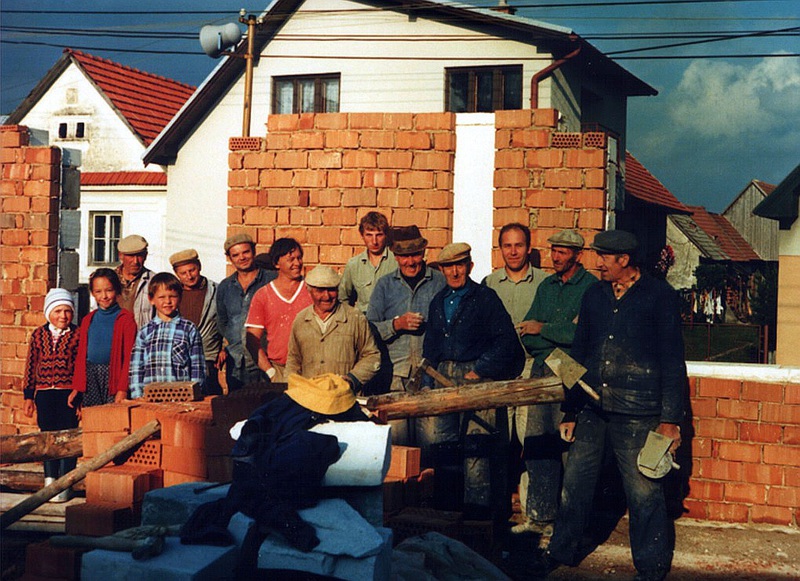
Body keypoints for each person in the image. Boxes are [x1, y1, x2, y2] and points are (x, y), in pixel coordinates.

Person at [537, 230, 686, 581]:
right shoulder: (594, 295)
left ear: (625, 261)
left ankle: (650, 568)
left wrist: (669, 420)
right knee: (574, 485)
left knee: (644, 493)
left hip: (639, 414)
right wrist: (571, 410)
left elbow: (672, 361)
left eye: (604, 257)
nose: (597, 263)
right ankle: (560, 552)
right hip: (592, 410)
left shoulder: (659, 297)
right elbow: (579, 354)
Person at [423, 242, 525, 520]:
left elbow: (506, 342)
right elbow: (430, 347)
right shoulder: (438, 302)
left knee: (476, 452)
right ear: (442, 270)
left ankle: (476, 523)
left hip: (475, 380)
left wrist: (480, 369)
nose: (455, 272)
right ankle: (447, 519)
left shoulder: (485, 298)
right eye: (448, 266)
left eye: (460, 265)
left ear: (469, 266)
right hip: (443, 377)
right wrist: (426, 382)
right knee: (444, 449)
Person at [510, 229, 597, 540]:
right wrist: (554, 335)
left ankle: (568, 523)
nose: (556, 257)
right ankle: (538, 518)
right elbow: (526, 333)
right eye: (554, 251)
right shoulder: (546, 286)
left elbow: (583, 335)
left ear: (577, 255)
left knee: (569, 448)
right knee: (537, 442)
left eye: (562, 252)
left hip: (572, 372)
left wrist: (543, 328)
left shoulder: (591, 288)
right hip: (543, 367)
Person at [482, 222, 547, 532]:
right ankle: (495, 511)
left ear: (528, 248)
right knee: (499, 443)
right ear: (500, 249)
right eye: (507, 245)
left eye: (518, 245)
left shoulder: (544, 284)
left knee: (530, 442)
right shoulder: (489, 283)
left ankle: (532, 515)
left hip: (531, 371)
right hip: (499, 373)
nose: (513, 251)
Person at [366, 225, 446, 453]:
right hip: (395, 380)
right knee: (397, 449)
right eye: (404, 256)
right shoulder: (384, 285)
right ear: (395, 256)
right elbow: (368, 330)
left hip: (431, 378)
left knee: (431, 447)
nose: (410, 261)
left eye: (415, 255)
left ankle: (429, 489)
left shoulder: (439, 282)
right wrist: (395, 324)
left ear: (423, 253)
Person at [22, 289, 81, 502]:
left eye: (67, 311)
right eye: (58, 311)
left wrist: (79, 395)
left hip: (68, 395)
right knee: (48, 435)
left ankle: (66, 482)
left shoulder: (77, 334)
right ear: (49, 313)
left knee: (68, 436)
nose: (63, 316)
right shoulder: (38, 335)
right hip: (45, 394)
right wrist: (29, 396)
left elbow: (80, 367)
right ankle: (50, 479)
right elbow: (31, 365)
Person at [286, 265, 381, 393]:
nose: (326, 296)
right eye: (320, 290)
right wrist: (292, 387)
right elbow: (293, 360)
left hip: (344, 397)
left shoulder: (355, 318)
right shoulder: (301, 320)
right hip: (310, 396)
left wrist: (351, 379)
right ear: (309, 290)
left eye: (331, 290)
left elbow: (372, 356)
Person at [245, 238, 312, 384]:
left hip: (311, 370)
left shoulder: (312, 290)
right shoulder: (263, 295)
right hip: (280, 369)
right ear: (276, 263)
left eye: (299, 258)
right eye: (291, 259)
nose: (297, 263)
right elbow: (252, 339)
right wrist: (271, 372)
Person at [128, 272, 206, 399]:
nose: (167, 301)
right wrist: (138, 396)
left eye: (172, 296)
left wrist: (195, 394)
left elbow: (198, 367)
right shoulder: (144, 332)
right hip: (151, 399)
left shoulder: (189, 329)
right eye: (161, 297)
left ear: (180, 298)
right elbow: (136, 367)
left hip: (182, 397)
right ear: (151, 299)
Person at [69, 269, 137, 411]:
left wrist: (123, 389)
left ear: (117, 290)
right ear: (92, 293)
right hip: (91, 378)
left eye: (109, 290)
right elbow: (82, 356)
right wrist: (77, 387)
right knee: (93, 421)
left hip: (113, 377)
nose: (104, 296)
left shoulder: (126, 319)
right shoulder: (88, 319)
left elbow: (130, 358)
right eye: (98, 291)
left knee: (113, 421)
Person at [216, 233, 277, 391]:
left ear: (254, 252)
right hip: (237, 363)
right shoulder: (225, 286)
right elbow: (222, 322)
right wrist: (235, 341)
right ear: (230, 258)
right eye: (235, 255)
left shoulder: (272, 280)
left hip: (267, 362)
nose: (241, 258)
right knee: (238, 411)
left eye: (246, 252)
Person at [170, 249, 223, 395]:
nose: (189, 276)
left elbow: (226, 319)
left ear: (199, 266)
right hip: (178, 356)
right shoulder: (172, 294)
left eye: (192, 270)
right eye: (183, 273)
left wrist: (225, 347)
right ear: (176, 274)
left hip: (207, 355)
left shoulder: (216, 290)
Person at [339, 211, 397, 313]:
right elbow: (343, 297)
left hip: (391, 322)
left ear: (386, 235)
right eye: (369, 235)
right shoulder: (354, 265)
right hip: (363, 321)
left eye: (379, 235)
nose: (374, 241)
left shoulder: (396, 260)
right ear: (362, 236)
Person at [115, 234, 154, 328]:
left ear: (145, 256)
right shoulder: (109, 279)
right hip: (113, 338)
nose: (135, 261)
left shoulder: (153, 281)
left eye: (139, 256)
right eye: (131, 256)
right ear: (121, 256)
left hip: (142, 339)